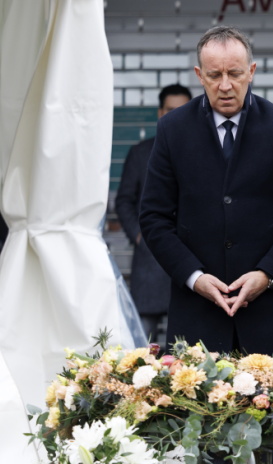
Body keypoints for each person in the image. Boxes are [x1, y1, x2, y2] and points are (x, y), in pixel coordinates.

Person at [140, 26, 273, 464]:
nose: (225, 85)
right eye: (214, 75)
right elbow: (154, 217)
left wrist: (267, 273)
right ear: (199, 75)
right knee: (207, 441)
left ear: (252, 72)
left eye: (235, 74)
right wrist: (194, 276)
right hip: (201, 314)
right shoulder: (173, 131)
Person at [115, 83, 192, 346]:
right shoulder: (140, 152)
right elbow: (124, 201)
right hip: (150, 262)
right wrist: (139, 236)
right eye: (170, 110)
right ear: (160, 113)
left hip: (191, 261)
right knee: (142, 346)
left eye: (182, 110)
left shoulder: (204, 151)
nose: (176, 116)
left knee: (187, 349)